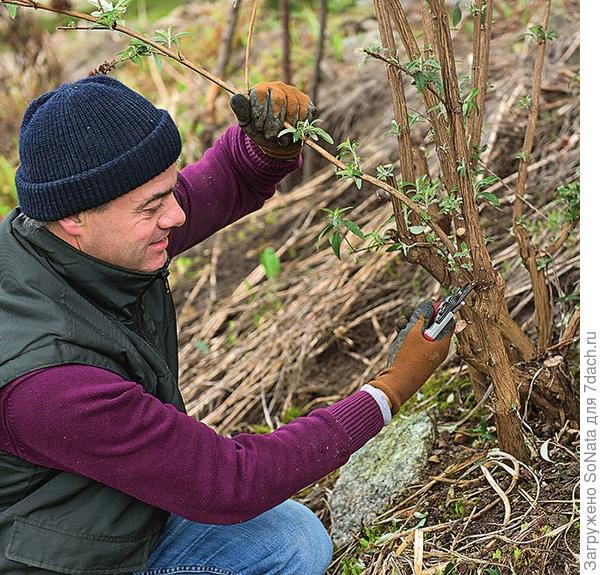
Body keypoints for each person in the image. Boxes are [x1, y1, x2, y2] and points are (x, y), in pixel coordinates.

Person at [0, 75, 453, 575]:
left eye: (169, 190)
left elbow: (212, 188)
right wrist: (389, 391)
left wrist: (264, 149)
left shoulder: (71, 242)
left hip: (95, 496)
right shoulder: (48, 381)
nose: (175, 215)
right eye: (152, 206)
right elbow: (231, 482)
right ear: (73, 218)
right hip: (51, 558)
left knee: (291, 540)